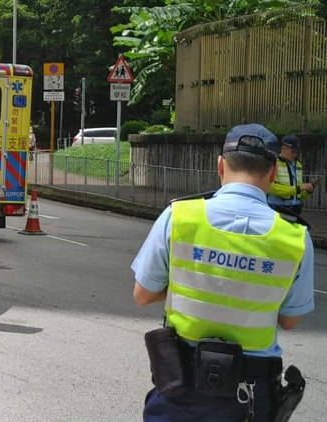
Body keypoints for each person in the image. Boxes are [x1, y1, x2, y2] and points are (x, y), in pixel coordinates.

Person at [131, 124, 314, 422]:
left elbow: (143, 294)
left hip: (181, 383)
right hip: (251, 391)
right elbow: (290, 319)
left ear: (219, 165)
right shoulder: (295, 237)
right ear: (271, 173)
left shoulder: (179, 216)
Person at [267, 135, 313, 215]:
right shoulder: (273, 164)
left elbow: (299, 193)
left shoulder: (298, 165)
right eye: (293, 152)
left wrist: (308, 191)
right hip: (278, 207)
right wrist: (297, 189)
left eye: (297, 152)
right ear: (283, 149)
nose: (295, 155)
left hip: (296, 208)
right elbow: (271, 187)